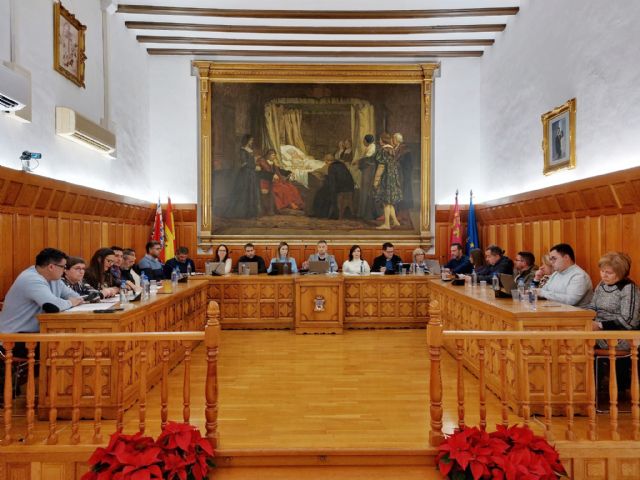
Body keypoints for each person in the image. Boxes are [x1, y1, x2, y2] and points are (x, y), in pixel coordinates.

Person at [0, 248, 82, 335]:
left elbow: (75, 296)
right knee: (68, 343)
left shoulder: (54, 279)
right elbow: (52, 305)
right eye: (63, 267)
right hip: (14, 337)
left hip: (36, 334)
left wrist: (75, 300)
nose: (65, 270)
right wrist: (70, 303)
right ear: (51, 267)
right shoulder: (31, 279)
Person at [589, 252, 640, 351]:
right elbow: (592, 306)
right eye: (602, 271)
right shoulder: (602, 284)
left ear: (620, 273)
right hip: (598, 331)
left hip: (620, 335)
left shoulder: (628, 288)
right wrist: (586, 319)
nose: (604, 275)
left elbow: (629, 321)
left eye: (609, 272)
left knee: (579, 341)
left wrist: (600, 325)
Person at [538, 243, 593, 307]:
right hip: (554, 311)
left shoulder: (579, 276)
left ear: (566, 257)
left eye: (554, 258)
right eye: (550, 259)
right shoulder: (556, 273)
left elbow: (571, 300)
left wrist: (542, 293)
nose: (551, 262)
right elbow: (544, 290)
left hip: (575, 314)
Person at [256, 149, 304, 214]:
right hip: (266, 182)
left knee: (291, 187)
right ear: (268, 155)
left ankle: (294, 203)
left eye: (275, 155)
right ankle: (289, 204)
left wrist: (288, 172)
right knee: (283, 188)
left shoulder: (272, 163)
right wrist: (272, 176)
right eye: (273, 155)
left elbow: (278, 170)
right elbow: (260, 173)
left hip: (276, 181)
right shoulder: (262, 162)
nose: (274, 157)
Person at [312, 153, 355, 219]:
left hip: (341, 188)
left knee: (321, 193)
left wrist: (332, 193)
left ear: (326, 161)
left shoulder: (331, 167)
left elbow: (333, 183)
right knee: (324, 190)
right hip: (350, 187)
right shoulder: (341, 164)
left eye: (325, 161)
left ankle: (322, 214)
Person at [227, 134, 260, 219]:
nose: (252, 142)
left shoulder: (250, 150)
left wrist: (255, 161)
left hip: (251, 174)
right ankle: (242, 213)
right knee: (244, 192)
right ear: (247, 140)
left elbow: (250, 161)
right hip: (245, 174)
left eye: (252, 140)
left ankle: (251, 213)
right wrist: (254, 166)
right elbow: (244, 163)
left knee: (252, 192)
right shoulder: (242, 150)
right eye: (251, 140)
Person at [373, 132, 402, 229]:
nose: (379, 141)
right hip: (393, 177)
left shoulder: (383, 150)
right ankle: (395, 221)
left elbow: (381, 166)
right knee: (390, 202)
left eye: (380, 139)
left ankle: (386, 224)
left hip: (386, 178)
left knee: (386, 201)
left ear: (383, 140)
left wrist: (376, 180)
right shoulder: (392, 149)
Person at [356, 134, 378, 221]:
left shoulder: (372, 148)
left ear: (366, 141)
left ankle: (367, 213)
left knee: (366, 190)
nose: (363, 142)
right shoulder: (369, 147)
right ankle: (363, 213)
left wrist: (359, 162)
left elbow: (368, 160)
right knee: (365, 190)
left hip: (369, 171)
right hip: (367, 170)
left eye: (364, 140)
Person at [392, 132, 413, 211]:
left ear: (397, 140)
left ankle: (402, 209)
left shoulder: (404, 149)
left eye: (393, 138)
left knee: (403, 190)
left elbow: (405, 163)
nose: (392, 140)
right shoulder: (396, 147)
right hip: (398, 172)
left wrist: (397, 164)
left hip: (403, 173)